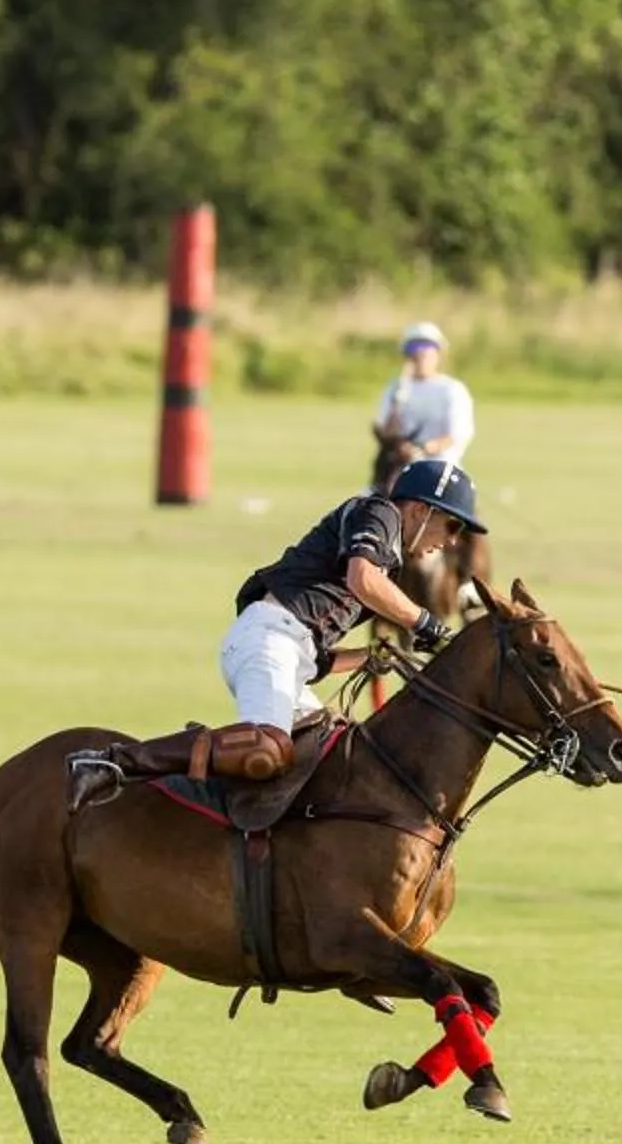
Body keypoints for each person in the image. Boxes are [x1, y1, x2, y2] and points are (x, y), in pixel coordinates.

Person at [69, 459, 484, 805]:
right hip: (267, 638)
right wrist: (426, 624)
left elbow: (315, 659)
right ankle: (114, 762)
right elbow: (362, 580)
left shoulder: (386, 558)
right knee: (265, 748)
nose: (450, 542)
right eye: (451, 526)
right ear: (419, 510)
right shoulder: (380, 514)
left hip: (282, 647)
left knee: (335, 759)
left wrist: (372, 656)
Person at [372, 320, 475, 484]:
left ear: (438, 354)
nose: (419, 355)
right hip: (400, 470)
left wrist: (423, 449)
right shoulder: (395, 388)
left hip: (441, 470)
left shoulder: (452, 389)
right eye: (413, 349)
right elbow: (385, 431)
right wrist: (398, 400)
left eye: (426, 348)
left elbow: (456, 434)